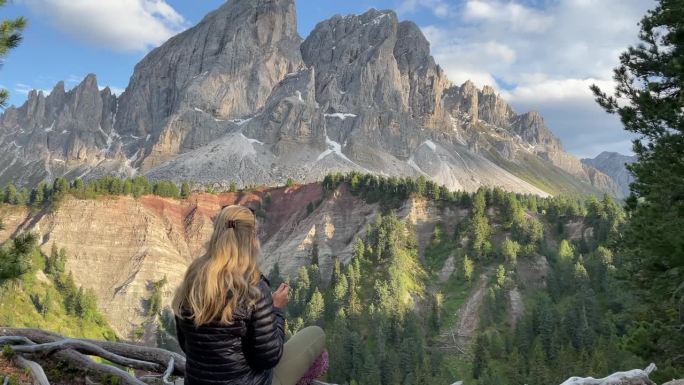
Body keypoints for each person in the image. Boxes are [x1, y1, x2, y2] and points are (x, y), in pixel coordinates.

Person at [172, 205, 326, 385]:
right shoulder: (253, 289)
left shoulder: (193, 278)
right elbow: (268, 358)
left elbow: (186, 345)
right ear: (251, 239)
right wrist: (275, 310)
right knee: (316, 334)